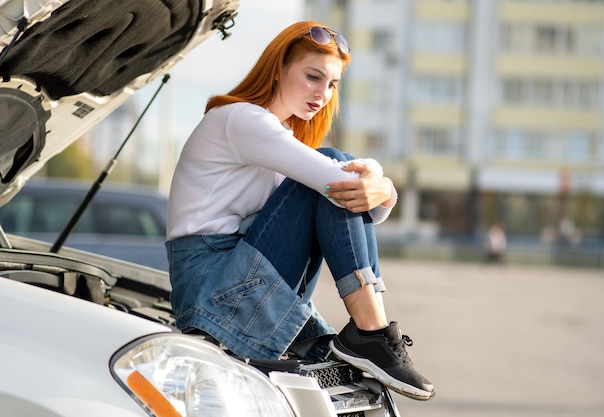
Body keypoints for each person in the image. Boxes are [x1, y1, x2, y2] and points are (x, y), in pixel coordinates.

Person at [165, 21, 435, 401]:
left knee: (333, 169)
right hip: (212, 288)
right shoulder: (240, 119)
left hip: (234, 285)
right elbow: (345, 186)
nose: (322, 94)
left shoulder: (279, 142)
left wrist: (380, 186)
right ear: (279, 69)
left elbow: (369, 211)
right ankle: (371, 333)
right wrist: (380, 181)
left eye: (332, 85)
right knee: (333, 163)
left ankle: (369, 336)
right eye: (313, 77)